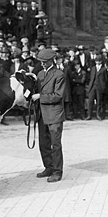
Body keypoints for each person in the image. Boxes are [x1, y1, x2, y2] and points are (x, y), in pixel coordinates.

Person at [31, 48, 66, 183]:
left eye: (45, 62)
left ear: (52, 60)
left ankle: (57, 171)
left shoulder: (59, 75)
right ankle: (48, 167)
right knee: (43, 143)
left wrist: (40, 96)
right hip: (42, 114)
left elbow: (58, 96)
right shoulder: (39, 74)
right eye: (41, 61)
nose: (42, 64)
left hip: (54, 114)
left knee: (55, 145)